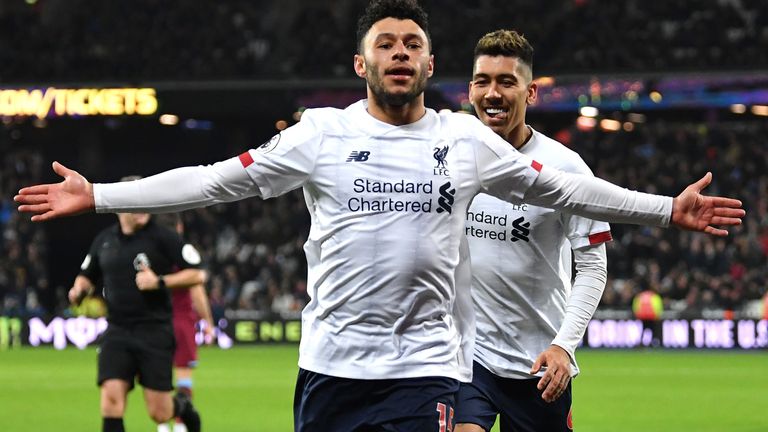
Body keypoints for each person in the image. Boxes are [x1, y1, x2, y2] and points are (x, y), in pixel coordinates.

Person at [16, 1, 743, 430]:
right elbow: (213, 183)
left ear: (430, 66)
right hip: (329, 369)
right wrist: (101, 194)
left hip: (425, 372)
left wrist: (665, 211)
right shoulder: (320, 135)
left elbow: (566, 192)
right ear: (361, 64)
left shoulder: (464, 140)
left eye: (414, 45)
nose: (401, 53)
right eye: (386, 44)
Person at [455, 30, 609, 432]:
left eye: (506, 82)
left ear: (531, 92)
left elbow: (592, 267)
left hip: (540, 367)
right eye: (483, 81)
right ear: (470, 90)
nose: (493, 93)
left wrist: (564, 345)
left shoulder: (567, 168)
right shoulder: (451, 160)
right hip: (470, 359)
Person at [67, 177, 205, 432]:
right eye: (135, 201)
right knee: (111, 401)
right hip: (117, 331)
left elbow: (198, 274)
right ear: (119, 205)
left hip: (154, 332)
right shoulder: (104, 240)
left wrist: (160, 281)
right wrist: (79, 289)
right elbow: (87, 273)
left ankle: (183, 409)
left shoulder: (164, 237)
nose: (142, 207)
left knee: (159, 412)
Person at [155, 213, 215, 432]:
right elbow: (197, 290)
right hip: (181, 320)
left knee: (157, 377)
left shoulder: (151, 252)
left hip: (155, 322)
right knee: (183, 377)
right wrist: (208, 322)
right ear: (179, 226)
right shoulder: (185, 253)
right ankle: (181, 426)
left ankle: (162, 425)